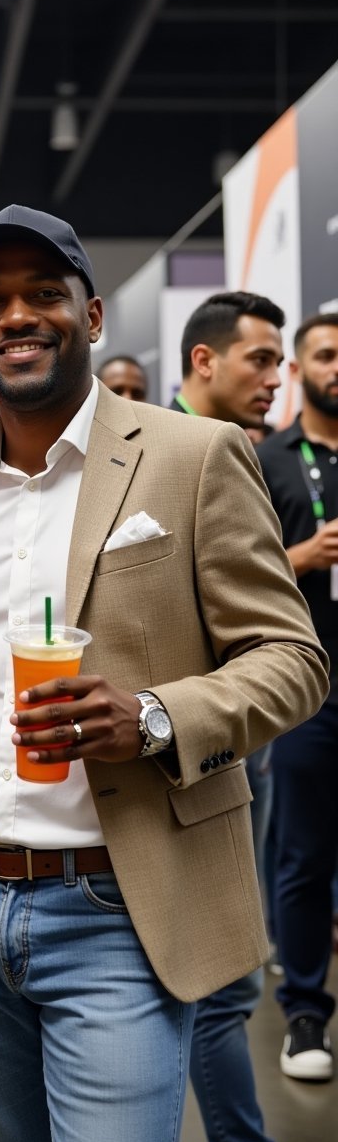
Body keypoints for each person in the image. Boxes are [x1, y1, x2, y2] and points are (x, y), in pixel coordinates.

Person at [0, 204, 327, 1142]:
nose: (15, 316)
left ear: (90, 312)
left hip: (117, 903)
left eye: (40, 294)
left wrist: (153, 716)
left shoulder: (192, 458)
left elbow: (291, 659)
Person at [170, 291, 294, 1142]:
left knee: (225, 989)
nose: (276, 378)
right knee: (218, 993)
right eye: (260, 360)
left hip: (226, 754)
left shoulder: (246, 456)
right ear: (205, 361)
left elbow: (272, 643)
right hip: (154, 777)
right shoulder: (160, 459)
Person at [257, 312, 338, 1084]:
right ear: (301, 367)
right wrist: (304, 556)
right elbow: (233, 579)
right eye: (327, 354)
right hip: (310, 690)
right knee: (304, 858)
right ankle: (306, 1012)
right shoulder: (267, 460)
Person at [173, 291, 284, 429]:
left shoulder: (244, 446)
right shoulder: (154, 447)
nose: (276, 381)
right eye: (261, 360)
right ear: (204, 362)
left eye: (277, 364)